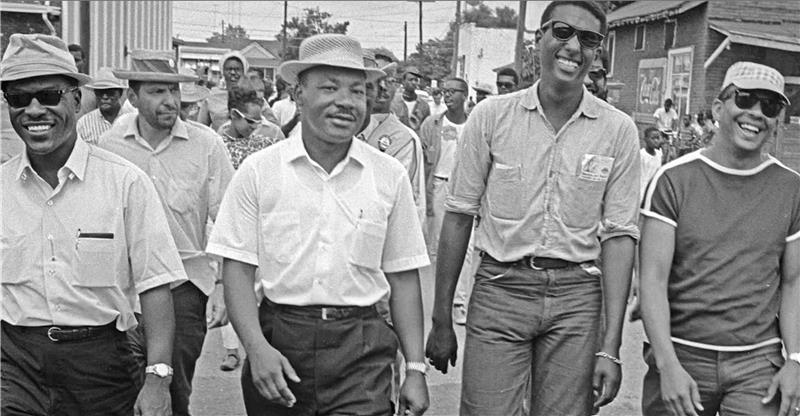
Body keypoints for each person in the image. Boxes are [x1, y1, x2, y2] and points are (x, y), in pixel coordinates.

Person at [425, 2, 641, 415]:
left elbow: (619, 236)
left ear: (599, 52)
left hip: (577, 298)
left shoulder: (618, 131)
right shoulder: (491, 117)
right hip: (500, 288)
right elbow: (458, 217)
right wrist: (441, 320)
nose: (574, 47)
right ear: (538, 38)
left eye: (589, 39)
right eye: (562, 32)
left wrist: (610, 346)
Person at [206, 33, 430, 416]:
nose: (346, 102)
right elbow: (237, 270)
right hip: (281, 341)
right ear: (298, 94)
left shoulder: (388, 175)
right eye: (329, 87)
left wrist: (415, 367)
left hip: (361, 349)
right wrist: (257, 350)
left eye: (358, 91)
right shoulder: (260, 172)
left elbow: (404, 277)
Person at [1, 33, 185, 416]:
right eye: (19, 99)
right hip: (14, 366)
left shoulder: (124, 183)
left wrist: (158, 378)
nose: (34, 110)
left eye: (48, 95)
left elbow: (155, 286)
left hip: (101, 365)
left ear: (75, 98)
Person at [639, 61, 800, 416]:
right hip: (681, 352)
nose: (756, 114)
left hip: (757, 362)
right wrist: (667, 365)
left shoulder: (791, 188)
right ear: (717, 108)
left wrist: (797, 361)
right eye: (745, 100)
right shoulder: (673, 181)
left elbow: (793, 282)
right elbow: (652, 279)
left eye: (769, 106)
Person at [98, 50, 235, 416]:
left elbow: (228, 221)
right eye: (158, 92)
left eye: (173, 92)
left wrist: (221, 287)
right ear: (133, 97)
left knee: (173, 394)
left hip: (184, 288)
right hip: (123, 293)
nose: (170, 101)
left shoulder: (207, 145)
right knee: (121, 392)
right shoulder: (109, 147)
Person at [360, 60, 426, 223]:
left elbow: (409, 202)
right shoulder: (340, 131)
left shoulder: (404, 139)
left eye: (388, 82)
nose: (381, 89)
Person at [198, 51, 279, 131]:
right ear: (223, 72)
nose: (233, 72)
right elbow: (201, 128)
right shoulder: (211, 98)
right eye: (229, 69)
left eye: (237, 69)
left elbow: (273, 125)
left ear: (243, 72)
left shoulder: (254, 97)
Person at [217, 78, 285, 170]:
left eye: (259, 121)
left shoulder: (267, 142)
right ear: (234, 114)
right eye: (250, 121)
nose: (255, 126)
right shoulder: (218, 145)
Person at [77, 67, 135, 143]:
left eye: (110, 92)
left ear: (120, 94)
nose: (105, 97)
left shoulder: (132, 120)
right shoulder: (84, 124)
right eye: (100, 92)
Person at [392, 65, 431, 131]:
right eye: (410, 80)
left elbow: (426, 128)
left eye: (416, 80)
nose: (413, 82)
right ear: (403, 82)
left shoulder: (424, 106)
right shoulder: (393, 102)